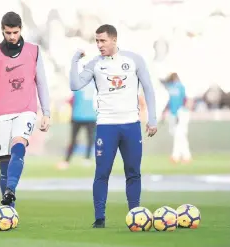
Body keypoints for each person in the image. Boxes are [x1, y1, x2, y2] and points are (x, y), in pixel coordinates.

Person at [70, 24, 157, 228]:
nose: (99, 45)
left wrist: (152, 118)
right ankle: (99, 218)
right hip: (106, 125)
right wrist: (74, 61)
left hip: (131, 124)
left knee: (133, 171)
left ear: (114, 39)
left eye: (103, 40)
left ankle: (135, 215)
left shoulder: (133, 60)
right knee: (102, 172)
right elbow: (75, 85)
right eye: (97, 41)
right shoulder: (94, 64)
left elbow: (149, 88)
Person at [0, 12, 50, 206]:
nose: (12, 36)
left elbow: (41, 82)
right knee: (4, 162)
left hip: (26, 109)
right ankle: (9, 209)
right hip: (0, 112)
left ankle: (10, 189)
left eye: (15, 32)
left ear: (20, 30)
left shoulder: (33, 51)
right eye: (8, 32)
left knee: (19, 145)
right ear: (2, 30)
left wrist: (46, 112)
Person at [57, 62, 97, 170]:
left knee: (89, 139)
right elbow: (72, 99)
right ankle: (68, 161)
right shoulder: (80, 83)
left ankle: (84, 159)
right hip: (79, 116)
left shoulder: (94, 83)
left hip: (89, 116)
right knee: (76, 140)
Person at [162, 72, 192, 163]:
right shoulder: (171, 87)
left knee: (179, 134)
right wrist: (165, 110)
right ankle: (185, 156)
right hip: (174, 113)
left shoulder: (180, 86)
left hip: (181, 113)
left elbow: (184, 100)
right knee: (180, 135)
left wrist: (180, 113)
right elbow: (170, 101)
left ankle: (176, 156)